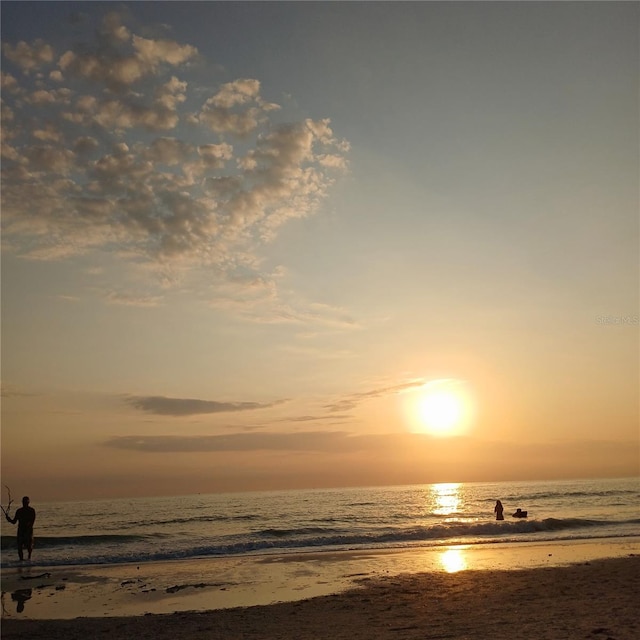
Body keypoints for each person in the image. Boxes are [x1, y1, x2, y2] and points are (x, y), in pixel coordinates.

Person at [5, 496, 36, 561]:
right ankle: (21, 560)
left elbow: (32, 522)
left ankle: (29, 559)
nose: (24, 503)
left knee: (29, 547)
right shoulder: (19, 511)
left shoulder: (31, 511)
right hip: (21, 531)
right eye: (24, 502)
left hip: (28, 531)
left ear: (28, 502)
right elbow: (14, 522)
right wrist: (9, 519)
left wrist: (28, 530)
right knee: (20, 547)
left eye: (26, 502)